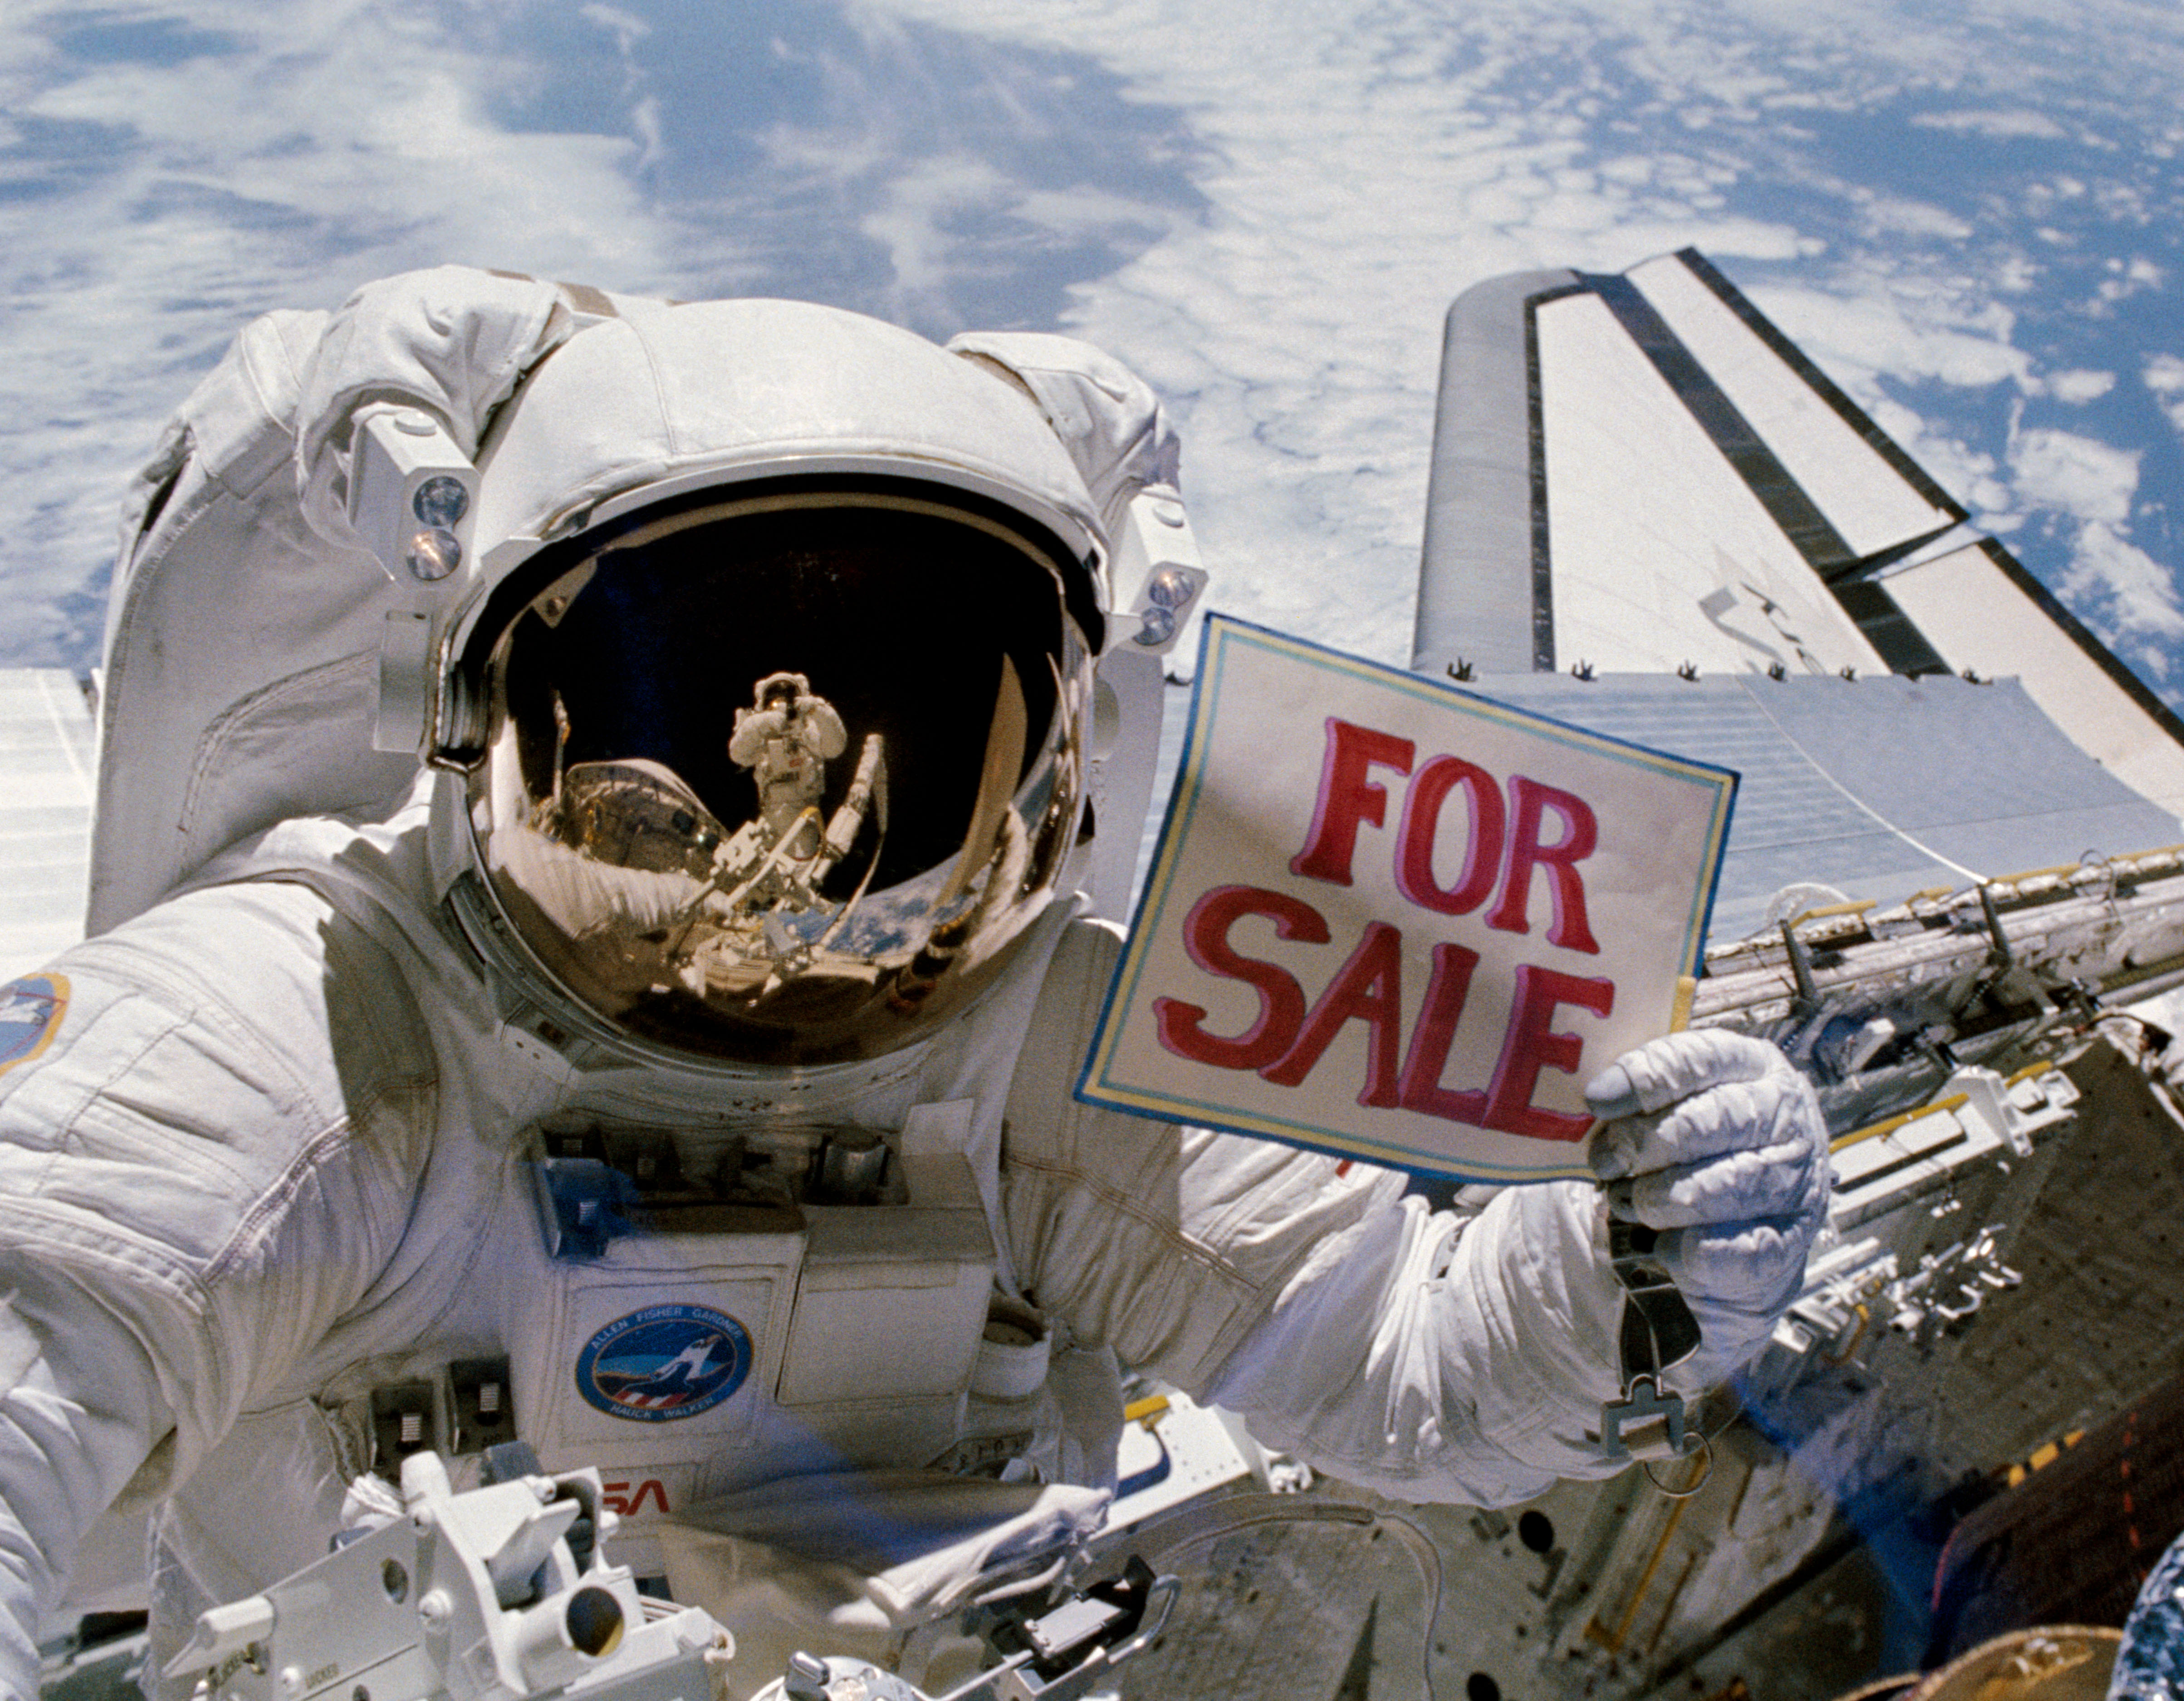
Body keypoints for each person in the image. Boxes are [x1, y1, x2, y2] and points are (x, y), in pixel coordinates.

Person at [0, 267, 1829, 1695]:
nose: (794, 925)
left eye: (928, 784)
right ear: (468, 730)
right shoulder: (316, 1027)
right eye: (681, 770)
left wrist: (1634, 1269)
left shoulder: (1029, 1053)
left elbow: (1403, 1363)